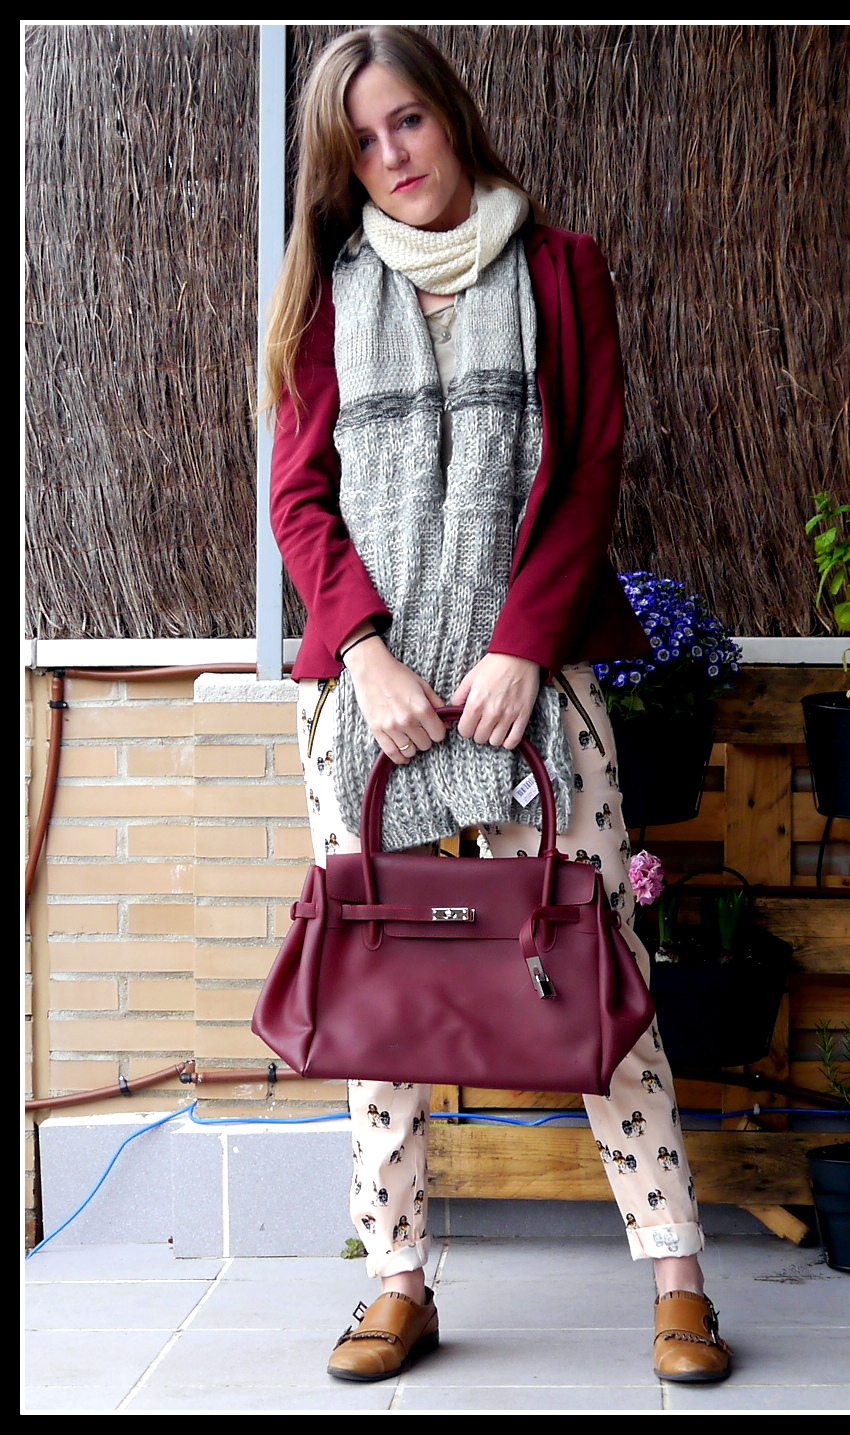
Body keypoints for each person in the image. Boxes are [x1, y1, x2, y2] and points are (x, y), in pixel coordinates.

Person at [263, 26, 731, 1385]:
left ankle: (678, 1277)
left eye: (406, 120)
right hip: (370, 698)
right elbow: (299, 498)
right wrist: (366, 654)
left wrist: (521, 647)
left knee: (600, 958)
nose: (392, 155)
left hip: (534, 684)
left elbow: (588, 469)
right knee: (377, 982)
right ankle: (396, 1281)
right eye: (362, 141)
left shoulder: (560, 268)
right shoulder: (328, 293)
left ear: (451, 116)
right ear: (341, 166)